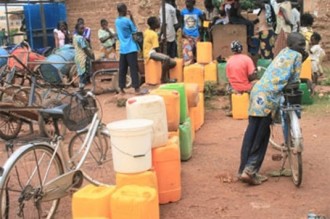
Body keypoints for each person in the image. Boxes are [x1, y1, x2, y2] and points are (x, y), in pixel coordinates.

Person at [238, 32, 308, 185]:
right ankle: (250, 171)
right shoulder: (296, 56)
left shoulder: (283, 52)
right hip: (269, 97)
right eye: (300, 44)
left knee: (252, 131)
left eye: (304, 44)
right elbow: (294, 81)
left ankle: (243, 169)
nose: (303, 47)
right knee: (262, 135)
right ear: (293, 45)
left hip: (257, 91)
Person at [115, 3, 141, 94]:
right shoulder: (127, 21)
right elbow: (135, 30)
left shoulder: (117, 21)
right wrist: (132, 17)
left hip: (123, 49)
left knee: (122, 69)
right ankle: (136, 88)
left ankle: (121, 88)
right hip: (131, 47)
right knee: (133, 68)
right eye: (126, 9)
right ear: (124, 10)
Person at [225, 41, 257, 116]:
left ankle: (232, 109)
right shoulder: (247, 59)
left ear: (232, 50)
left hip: (234, 88)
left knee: (228, 86)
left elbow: (228, 77)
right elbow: (252, 75)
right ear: (241, 49)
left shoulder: (229, 61)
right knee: (258, 84)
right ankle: (254, 107)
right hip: (246, 87)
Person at [143, 16, 177, 83]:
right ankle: (164, 79)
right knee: (166, 59)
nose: (159, 23)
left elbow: (154, 42)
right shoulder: (153, 34)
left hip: (150, 51)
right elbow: (156, 48)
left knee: (173, 63)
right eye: (157, 22)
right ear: (153, 24)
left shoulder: (147, 31)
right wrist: (163, 55)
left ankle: (162, 72)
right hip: (150, 53)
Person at [181, 0, 204, 65]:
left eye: (189, 3)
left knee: (198, 53)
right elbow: (181, 23)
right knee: (187, 52)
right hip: (186, 36)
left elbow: (203, 20)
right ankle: (189, 68)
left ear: (193, 3)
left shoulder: (198, 12)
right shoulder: (183, 12)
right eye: (186, 3)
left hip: (196, 35)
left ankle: (197, 67)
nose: (187, 4)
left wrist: (201, 29)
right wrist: (182, 31)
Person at [73, 22, 95, 90]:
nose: (83, 30)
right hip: (83, 58)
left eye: (83, 29)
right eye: (81, 29)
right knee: (84, 74)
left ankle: (81, 88)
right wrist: (91, 56)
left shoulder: (75, 37)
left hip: (77, 57)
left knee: (81, 74)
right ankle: (81, 89)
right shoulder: (80, 38)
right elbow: (85, 49)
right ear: (76, 29)